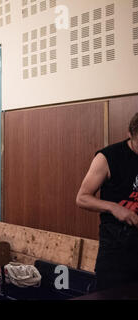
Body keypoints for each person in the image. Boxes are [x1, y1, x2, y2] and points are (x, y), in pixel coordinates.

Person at [76, 112, 138, 291]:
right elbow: (82, 198)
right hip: (115, 250)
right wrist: (113, 208)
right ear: (129, 134)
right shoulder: (107, 157)